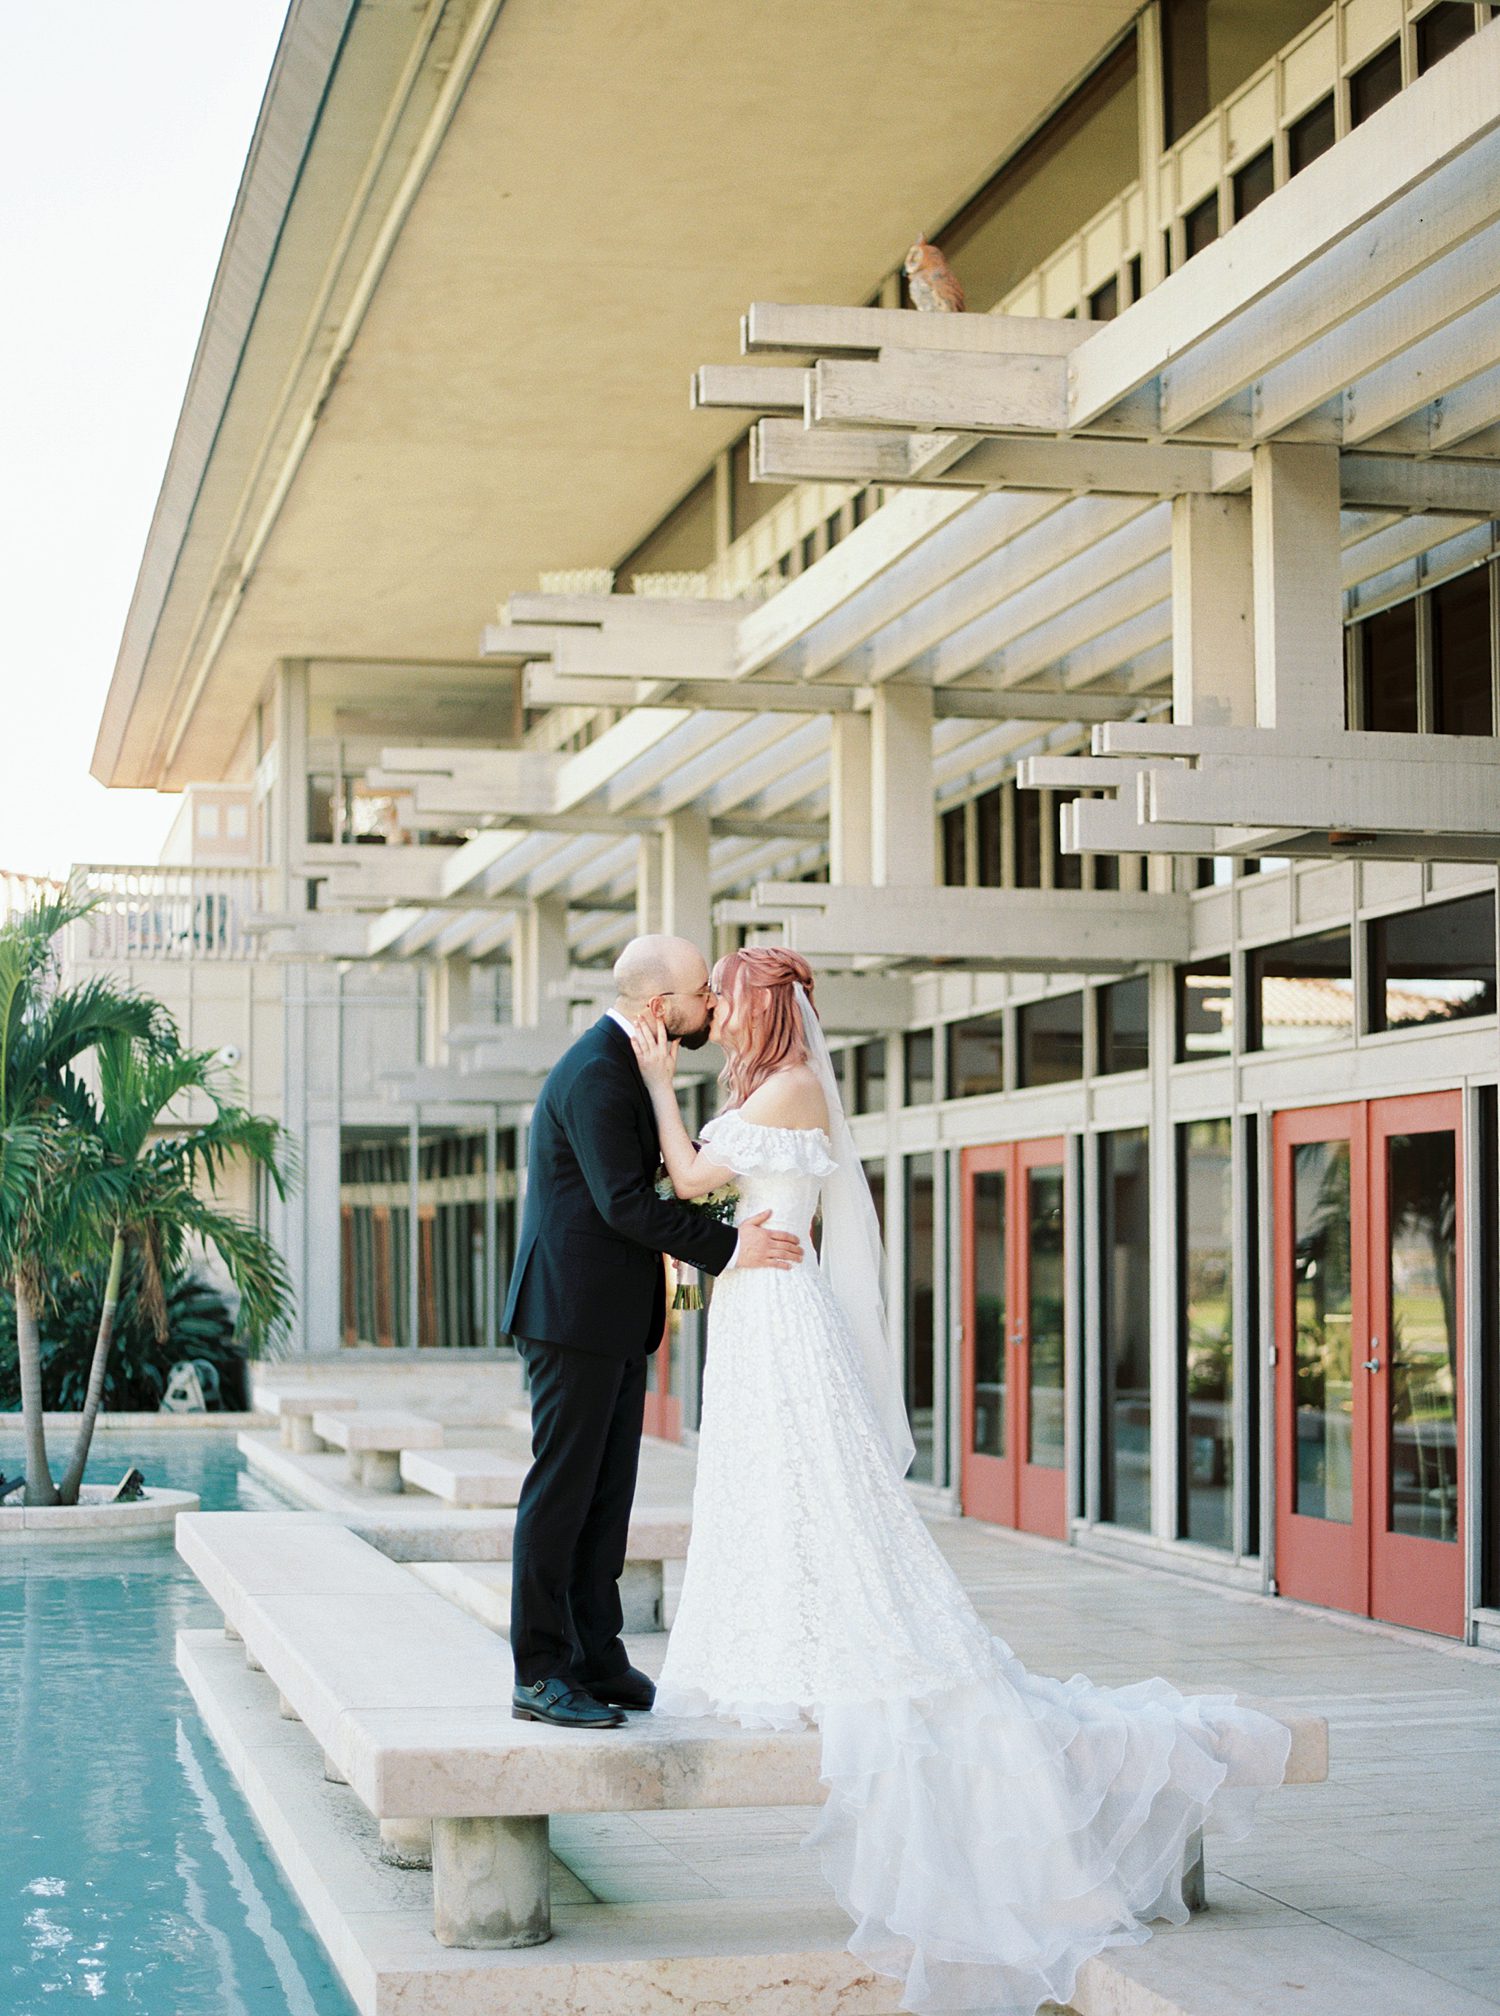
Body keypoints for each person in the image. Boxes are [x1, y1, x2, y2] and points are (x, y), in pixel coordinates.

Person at [628, 945, 1291, 2016]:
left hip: (782, 1314)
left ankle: (854, 1643)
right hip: (750, 1310)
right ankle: (781, 1641)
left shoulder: (792, 1086)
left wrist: (658, 1086)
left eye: (738, 1005)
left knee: (822, 1489)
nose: (727, 1021)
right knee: (764, 1492)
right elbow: (698, 1183)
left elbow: (696, 1178)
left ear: (773, 1013)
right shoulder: (758, 1088)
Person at [501, 933, 803, 1731]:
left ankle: (597, 1657)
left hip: (609, 1318)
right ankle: (539, 1672)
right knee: (561, 1495)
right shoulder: (598, 1073)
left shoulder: (628, 1065)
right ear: (659, 1007)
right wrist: (734, 1248)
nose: (711, 1003)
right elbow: (625, 1206)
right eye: (702, 991)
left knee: (607, 1499)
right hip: (570, 1316)